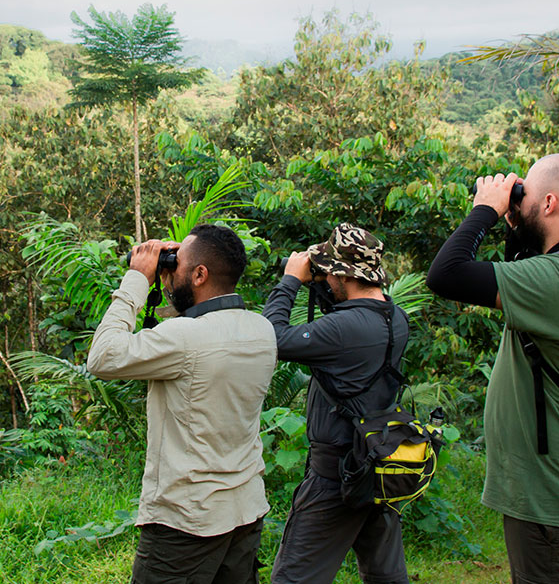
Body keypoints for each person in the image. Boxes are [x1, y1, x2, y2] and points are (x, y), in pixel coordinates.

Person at [426, 153, 559, 584]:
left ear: (550, 203)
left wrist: (485, 208)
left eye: (527, 195)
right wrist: (519, 225)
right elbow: (524, 269)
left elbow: (446, 275)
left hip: (555, 508)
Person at [87, 224, 277, 584]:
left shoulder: (184, 340)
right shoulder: (261, 329)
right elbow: (186, 337)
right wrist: (173, 278)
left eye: (178, 264)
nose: (170, 271)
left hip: (187, 522)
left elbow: (102, 358)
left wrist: (136, 280)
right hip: (245, 511)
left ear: (200, 274)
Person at [263, 223, 411, 584]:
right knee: (385, 575)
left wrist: (291, 282)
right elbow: (349, 311)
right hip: (378, 460)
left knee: (293, 577)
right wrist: (324, 281)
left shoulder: (344, 328)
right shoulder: (394, 316)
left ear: (342, 274)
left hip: (336, 475)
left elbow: (271, 336)